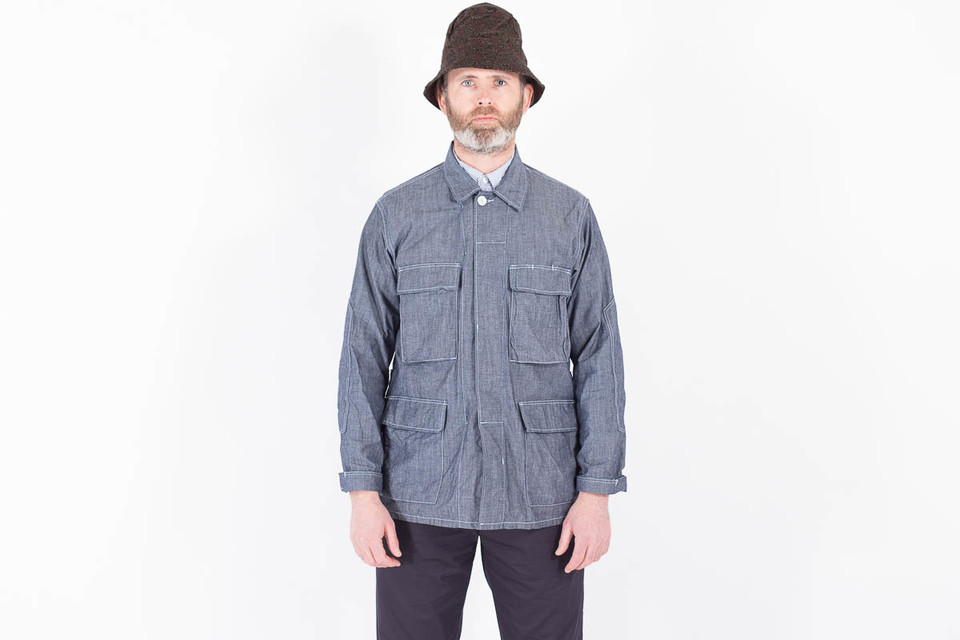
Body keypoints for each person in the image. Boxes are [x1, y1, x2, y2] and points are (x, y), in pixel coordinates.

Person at [336, 3, 628, 638]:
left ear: (527, 95)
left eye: (500, 81)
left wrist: (596, 492)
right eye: (468, 81)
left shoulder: (569, 215)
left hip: (541, 494)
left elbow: (599, 355)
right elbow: (362, 354)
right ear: (443, 97)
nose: (484, 97)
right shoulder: (397, 215)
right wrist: (363, 493)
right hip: (417, 492)